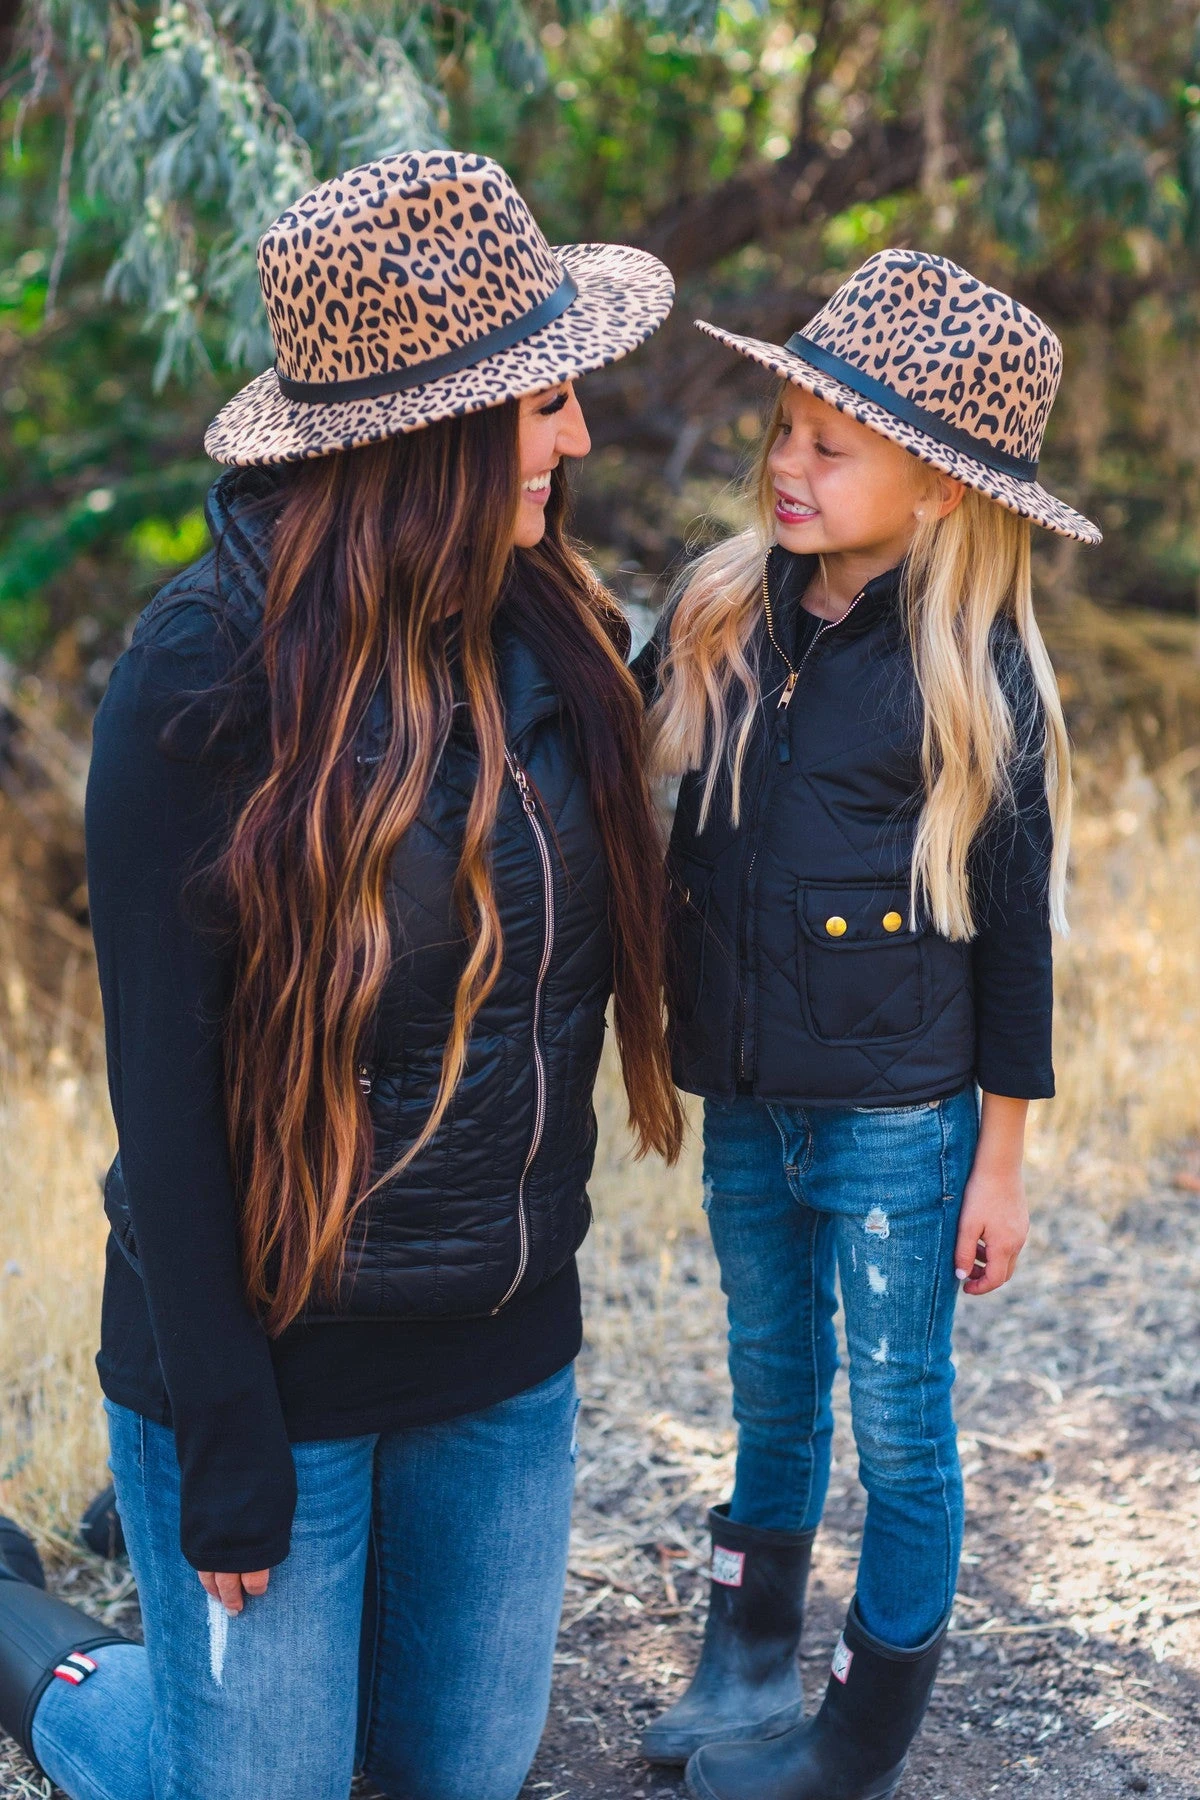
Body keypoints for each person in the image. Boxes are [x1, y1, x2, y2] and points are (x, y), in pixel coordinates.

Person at [0, 148, 682, 1800]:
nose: (579, 435)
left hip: (500, 1354)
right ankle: (30, 1644)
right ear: (427, 437)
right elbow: (160, 1087)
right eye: (541, 404)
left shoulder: (561, 634)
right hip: (266, 1362)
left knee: (452, 1777)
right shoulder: (196, 676)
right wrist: (227, 1435)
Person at [635, 249, 1100, 1800]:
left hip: (905, 1113)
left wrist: (1003, 1159)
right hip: (750, 1097)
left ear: (941, 491)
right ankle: (749, 1652)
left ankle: (859, 1729)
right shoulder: (719, 614)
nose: (787, 464)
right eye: (782, 429)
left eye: (833, 449)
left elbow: (1019, 946)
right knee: (771, 1380)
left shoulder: (979, 679)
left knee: (902, 1418)